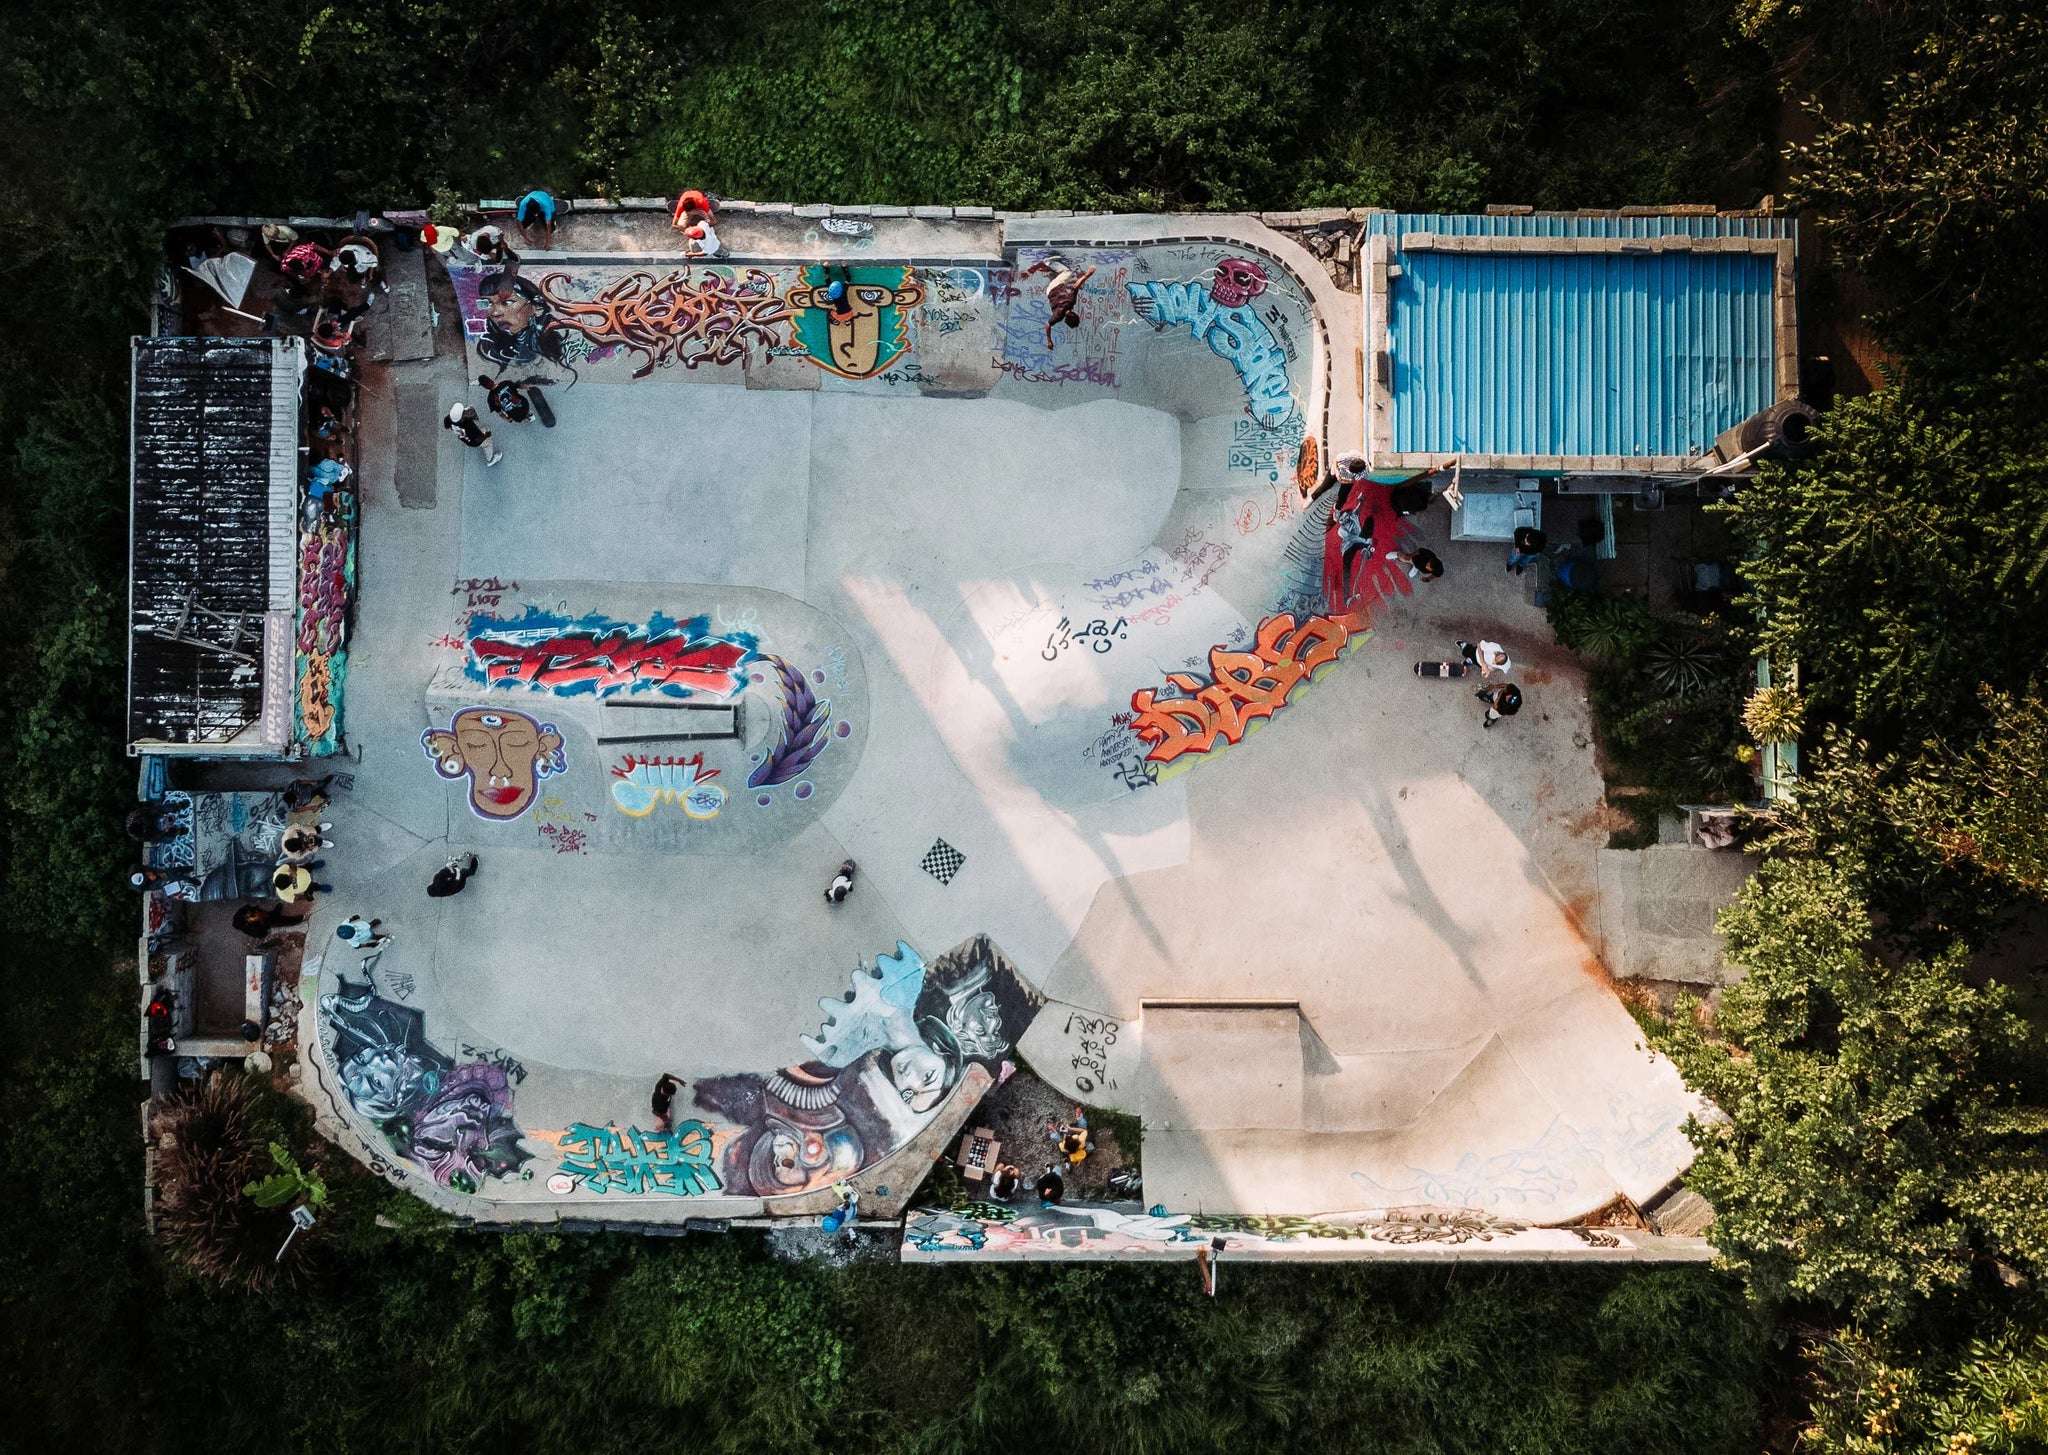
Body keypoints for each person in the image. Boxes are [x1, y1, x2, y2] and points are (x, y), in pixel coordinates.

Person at [1043, 261, 1096, 346]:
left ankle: (1049, 262)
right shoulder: (1058, 316)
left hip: (1056, 285)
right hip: (1048, 292)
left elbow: (1076, 285)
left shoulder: (1071, 301)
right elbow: (1048, 325)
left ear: (1075, 313)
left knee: (1068, 272)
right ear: (1065, 320)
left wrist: (1088, 274)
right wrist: (1049, 341)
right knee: (1062, 279)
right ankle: (1053, 275)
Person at [233, 902, 298, 943]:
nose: (247, 916)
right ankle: (296, 920)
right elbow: (263, 933)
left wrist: (252, 912)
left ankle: (275, 912)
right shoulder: (249, 929)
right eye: (246, 919)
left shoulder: (240, 914)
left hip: (261, 914)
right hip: (263, 924)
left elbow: (248, 907)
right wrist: (260, 919)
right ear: (245, 923)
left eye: (245, 915)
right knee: (279, 920)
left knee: (270, 914)